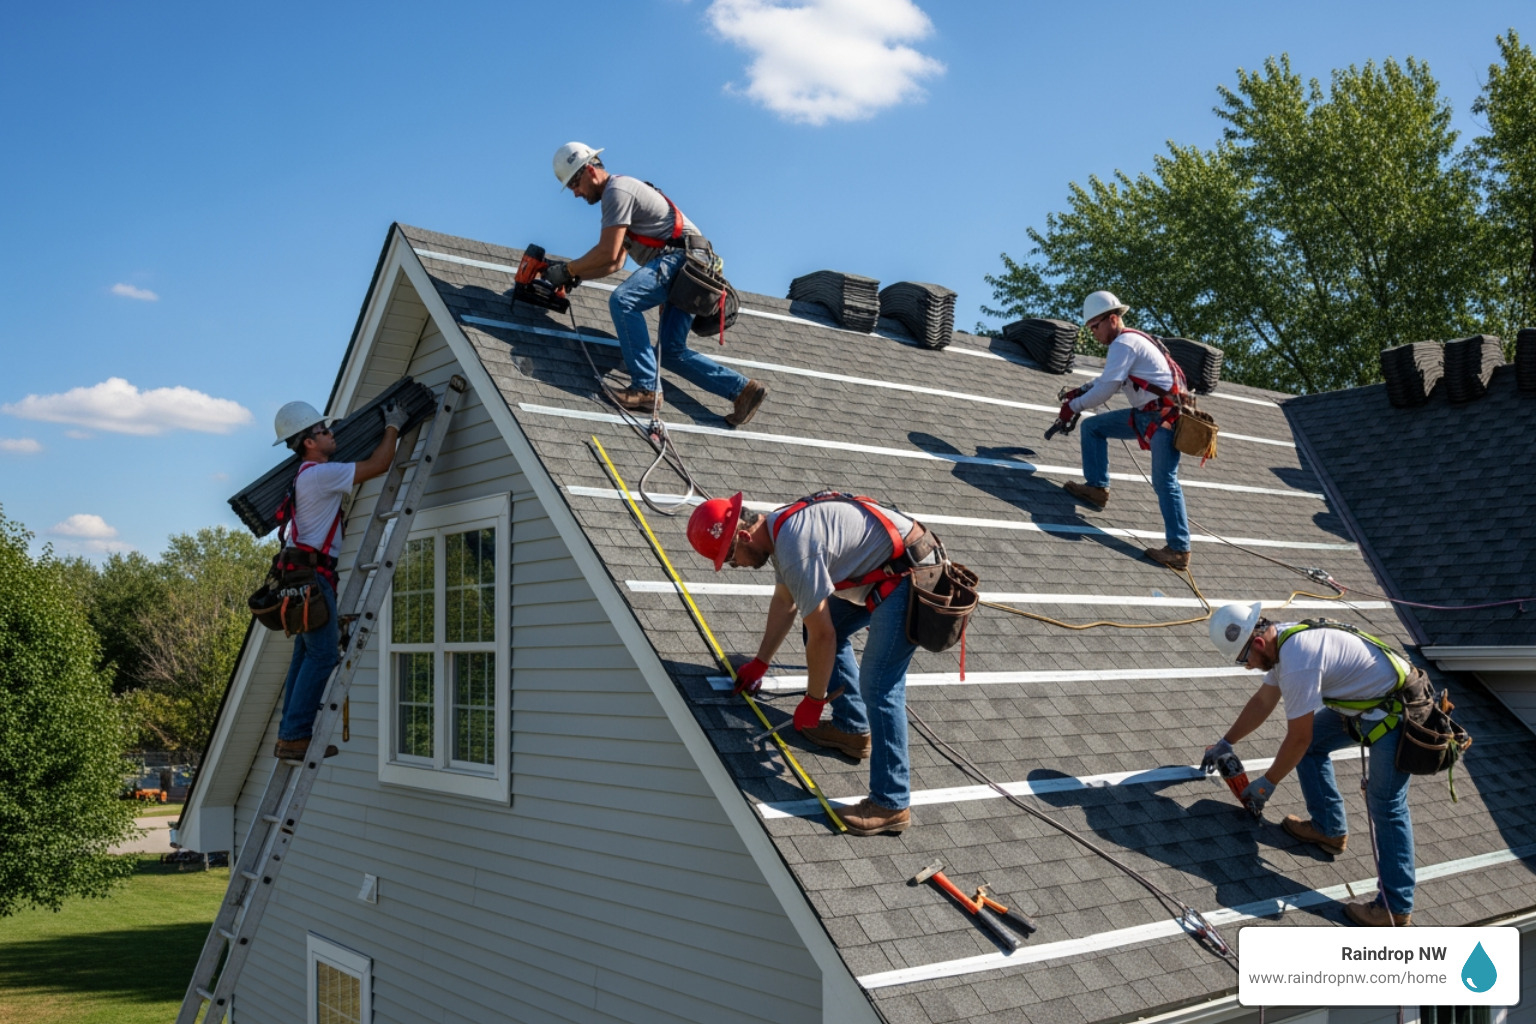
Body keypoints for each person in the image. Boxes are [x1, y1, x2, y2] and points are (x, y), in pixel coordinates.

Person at [686, 490, 941, 835]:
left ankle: (891, 802)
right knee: (820, 628)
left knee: (880, 688)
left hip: (909, 575)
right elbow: (786, 601)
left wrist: (814, 700)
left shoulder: (792, 547)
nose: (737, 567)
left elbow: (824, 636)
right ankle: (852, 730)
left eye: (731, 559)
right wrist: (761, 663)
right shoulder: (778, 530)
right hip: (884, 568)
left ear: (744, 537)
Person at [1203, 602, 1421, 927]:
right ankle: (1328, 829)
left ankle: (1394, 907)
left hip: (1397, 712)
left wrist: (1267, 784)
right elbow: (1263, 702)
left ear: (1258, 642)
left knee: (1386, 804)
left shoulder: (1297, 659)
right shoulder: (1283, 643)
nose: (1247, 667)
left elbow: (1298, 738)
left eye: (1243, 659)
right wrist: (1227, 742)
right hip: (1366, 703)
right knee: (1315, 745)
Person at [545, 141, 767, 427]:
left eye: (575, 183)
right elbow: (614, 263)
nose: (575, 193)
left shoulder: (617, 191)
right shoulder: (619, 196)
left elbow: (607, 253)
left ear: (590, 170)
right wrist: (576, 275)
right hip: (693, 269)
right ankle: (743, 389)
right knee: (671, 352)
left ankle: (647, 389)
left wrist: (566, 269)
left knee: (623, 302)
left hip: (682, 262)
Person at [269, 399, 409, 760]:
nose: (331, 434)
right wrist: (393, 425)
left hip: (302, 576)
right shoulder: (319, 474)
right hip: (314, 578)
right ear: (309, 443)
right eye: (323, 431)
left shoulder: (306, 476)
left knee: (306, 655)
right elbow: (380, 464)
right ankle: (295, 735)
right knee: (323, 655)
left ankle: (289, 734)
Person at [1057, 290, 1191, 569]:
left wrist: (1075, 405)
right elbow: (1106, 379)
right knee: (1093, 428)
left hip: (1163, 419)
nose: (1093, 333)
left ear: (1113, 319)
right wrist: (1081, 390)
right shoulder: (1131, 340)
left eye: (1095, 326)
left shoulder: (1124, 344)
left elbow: (1108, 388)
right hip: (1148, 414)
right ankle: (1096, 488)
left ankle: (1179, 549)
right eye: (1091, 328)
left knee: (1165, 480)